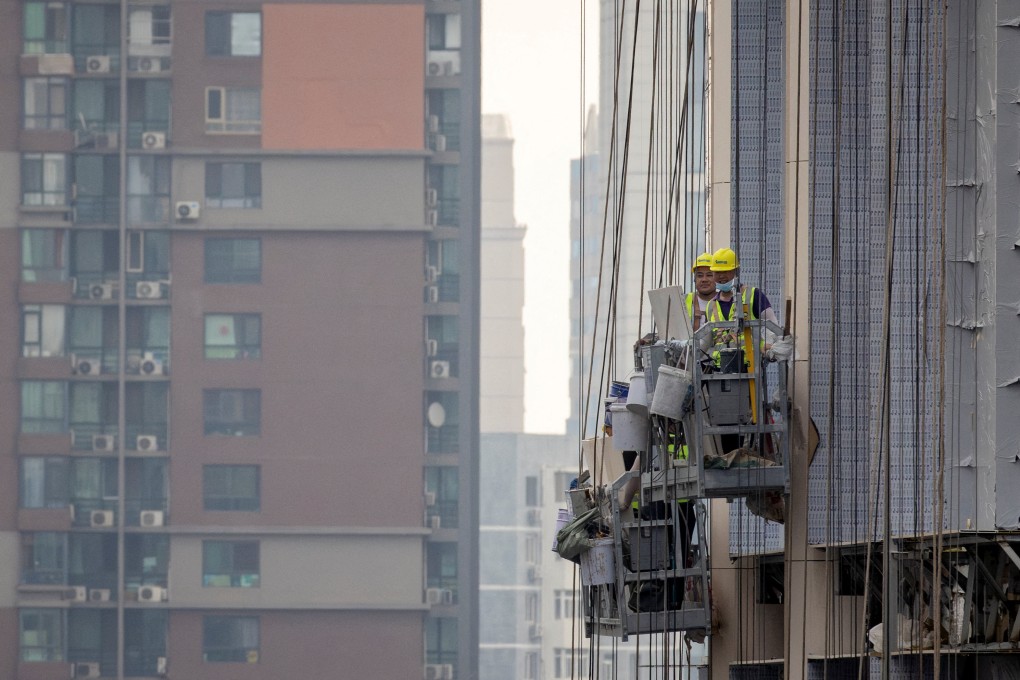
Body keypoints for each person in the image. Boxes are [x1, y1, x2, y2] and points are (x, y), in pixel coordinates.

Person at [685, 252, 716, 333]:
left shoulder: (726, 302)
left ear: (716, 277)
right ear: (694, 279)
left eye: (709, 275)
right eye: (700, 275)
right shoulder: (683, 301)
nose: (704, 279)